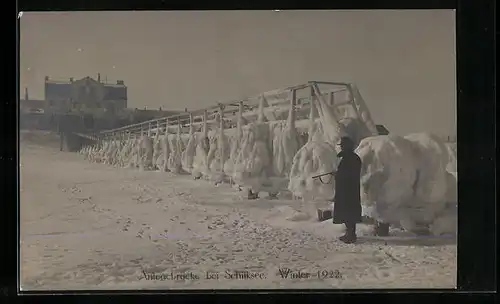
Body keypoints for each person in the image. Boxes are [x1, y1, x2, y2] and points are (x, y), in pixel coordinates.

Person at [332, 136, 362, 244]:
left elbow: (348, 175)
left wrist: (338, 175)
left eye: (342, 145)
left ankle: (351, 235)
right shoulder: (353, 158)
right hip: (350, 191)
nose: (341, 148)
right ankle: (350, 233)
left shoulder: (349, 158)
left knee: (348, 213)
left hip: (347, 191)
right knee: (348, 214)